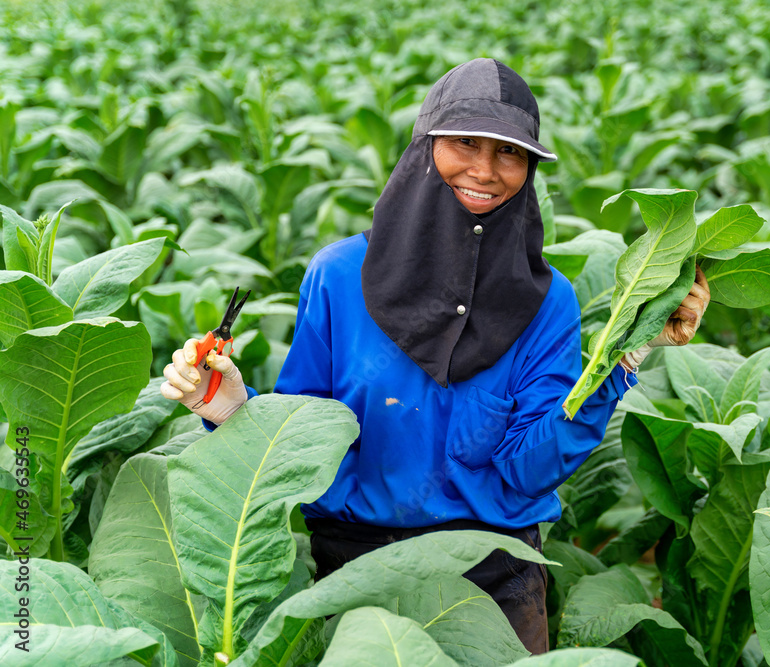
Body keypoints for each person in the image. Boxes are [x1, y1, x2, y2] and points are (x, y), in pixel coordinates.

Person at [160, 58, 710, 654]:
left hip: (494, 578)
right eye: (465, 142)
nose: (486, 170)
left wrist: (625, 354)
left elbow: (529, 467)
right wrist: (233, 407)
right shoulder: (339, 276)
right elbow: (306, 437)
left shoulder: (549, 301)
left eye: (510, 153)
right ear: (424, 147)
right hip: (354, 570)